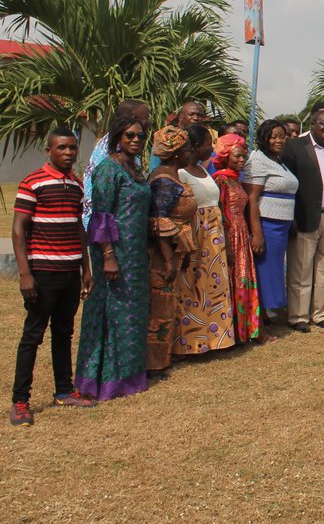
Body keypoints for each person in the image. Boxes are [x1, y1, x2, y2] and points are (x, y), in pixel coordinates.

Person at [10, 127, 95, 427]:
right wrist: (25, 274)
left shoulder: (77, 184)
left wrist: (86, 269)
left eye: (72, 147)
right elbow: (18, 229)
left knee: (63, 332)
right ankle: (20, 401)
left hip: (70, 272)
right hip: (43, 272)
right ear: (49, 151)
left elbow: (78, 227)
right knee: (32, 336)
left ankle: (63, 391)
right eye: (61, 148)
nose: (68, 153)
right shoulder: (33, 182)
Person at [75, 114, 152, 401]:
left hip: (135, 254)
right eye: (130, 135)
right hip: (113, 253)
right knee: (111, 312)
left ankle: (129, 377)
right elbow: (101, 216)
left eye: (140, 136)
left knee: (131, 314)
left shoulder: (134, 168)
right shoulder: (108, 169)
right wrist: (108, 256)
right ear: (117, 137)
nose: (136, 140)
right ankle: (102, 379)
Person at [281, 108, 324, 332]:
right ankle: (298, 316)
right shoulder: (295, 147)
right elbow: (288, 185)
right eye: (323, 124)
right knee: (301, 269)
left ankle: (321, 314)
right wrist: (291, 217)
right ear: (312, 124)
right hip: (305, 216)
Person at [176, 124, 236, 355]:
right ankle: (191, 342)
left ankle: (216, 339)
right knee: (192, 288)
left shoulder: (204, 171)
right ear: (195, 146)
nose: (211, 149)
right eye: (208, 144)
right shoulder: (181, 174)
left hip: (214, 237)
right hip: (196, 235)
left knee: (213, 287)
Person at [141, 126, 195, 375]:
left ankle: (163, 356)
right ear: (176, 153)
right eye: (188, 149)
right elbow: (159, 219)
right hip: (161, 256)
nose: (191, 153)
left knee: (168, 304)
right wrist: (169, 258)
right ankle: (153, 362)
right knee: (159, 308)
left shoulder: (172, 176)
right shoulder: (164, 181)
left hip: (174, 250)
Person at [244, 119, 297, 326]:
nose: (278, 140)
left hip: (282, 225)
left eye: (282, 136)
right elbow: (252, 199)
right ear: (264, 138)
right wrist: (257, 233)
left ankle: (267, 313)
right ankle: (260, 316)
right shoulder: (257, 160)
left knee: (274, 270)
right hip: (267, 225)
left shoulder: (278, 161)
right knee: (266, 271)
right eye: (273, 137)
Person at [213, 133, 264, 344]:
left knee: (243, 277)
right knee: (232, 279)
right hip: (230, 234)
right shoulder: (221, 181)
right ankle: (232, 330)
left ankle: (246, 329)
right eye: (237, 156)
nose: (242, 160)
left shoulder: (235, 180)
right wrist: (227, 242)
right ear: (225, 157)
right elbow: (220, 213)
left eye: (244, 156)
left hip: (241, 232)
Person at [82, 98, 148, 230]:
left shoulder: (129, 152)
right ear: (134, 118)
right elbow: (101, 209)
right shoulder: (108, 155)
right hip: (113, 234)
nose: (148, 122)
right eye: (146, 118)